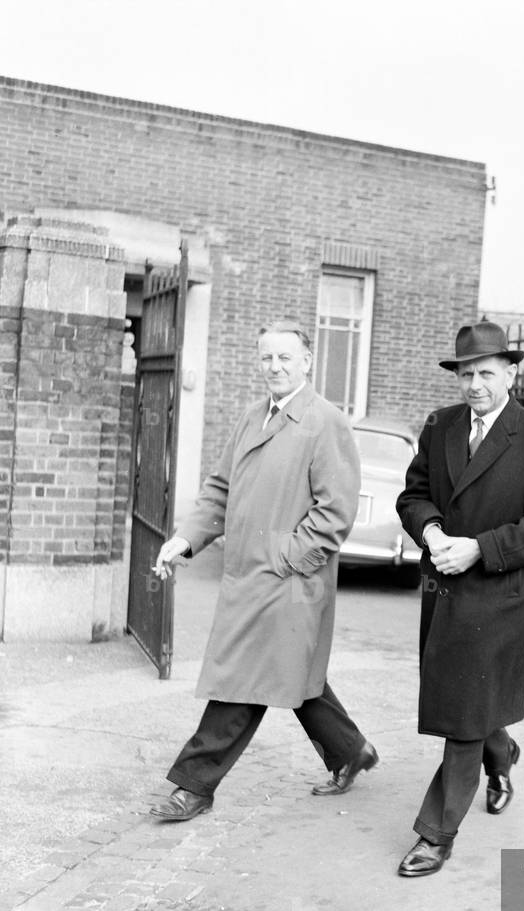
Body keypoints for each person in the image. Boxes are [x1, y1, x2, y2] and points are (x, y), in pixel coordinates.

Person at [149, 321, 377, 822]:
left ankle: (194, 784)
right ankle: (350, 749)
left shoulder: (325, 422)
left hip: (289, 581)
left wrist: (283, 559)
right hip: (248, 576)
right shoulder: (253, 417)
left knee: (244, 682)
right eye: (266, 358)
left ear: (307, 362)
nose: (274, 367)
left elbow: (335, 513)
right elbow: (219, 488)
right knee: (288, 674)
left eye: (285, 358)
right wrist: (185, 540)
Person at [394, 321, 524, 877]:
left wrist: (479, 549)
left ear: (511, 373)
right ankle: (502, 755)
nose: (474, 383)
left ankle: (435, 832)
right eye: (465, 373)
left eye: (486, 373)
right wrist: (431, 533)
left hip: (500, 594)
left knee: (464, 714)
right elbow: (414, 494)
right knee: (469, 700)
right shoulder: (441, 426)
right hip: (443, 587)